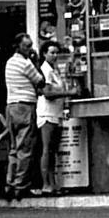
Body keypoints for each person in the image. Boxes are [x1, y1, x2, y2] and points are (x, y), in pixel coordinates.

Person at [4, 33, 45, 200]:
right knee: (25, 148)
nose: (30, 49)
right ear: (18, 46)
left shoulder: (9, 62)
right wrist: (35, 61)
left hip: (11, 106)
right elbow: (40, 81)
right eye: (27, 46)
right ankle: (20, 186)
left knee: (14, 148)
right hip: (25, 106)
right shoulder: (25, 63)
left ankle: (9, 183)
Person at [37, 40, 79, 195]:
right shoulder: (45, 70)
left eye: (56, 53)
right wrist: (69, 93)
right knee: (47, 149)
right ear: (44, 54)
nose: (55, 56)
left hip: (57, 113)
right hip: (47, 113)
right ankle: (46, 184)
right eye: (51, 53)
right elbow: (47, 93)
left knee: (54, 150)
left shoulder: (55, 70)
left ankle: (53, 183)